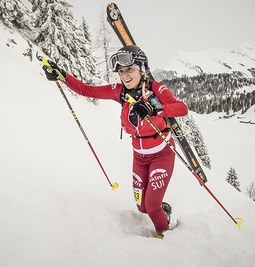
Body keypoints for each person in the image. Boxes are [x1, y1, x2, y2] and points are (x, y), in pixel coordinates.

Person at [42, 45, 188, 238]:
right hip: (139, 157)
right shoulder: (119, 91)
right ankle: (163, 209)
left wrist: (154, 107)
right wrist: (63, 76)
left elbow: (181, 108)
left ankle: (166, 236)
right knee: (142, 207)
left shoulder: (156, 89)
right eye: (121, 71)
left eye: (129, 70)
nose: (125, 76)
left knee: (152, 207)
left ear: (141, 69)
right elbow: (87, 90)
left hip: (162, 153)